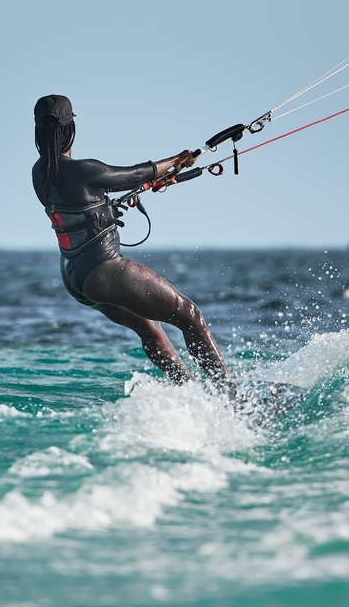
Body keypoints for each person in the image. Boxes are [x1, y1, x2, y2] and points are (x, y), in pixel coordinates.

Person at [32, 94, 232, 391]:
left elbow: (84, 201)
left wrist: (112, 202)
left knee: (152, 332)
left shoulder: (39, 173)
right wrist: (177, 161)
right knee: (190, 316)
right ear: (70, 128)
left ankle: (193, 397)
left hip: (75, 278)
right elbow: (136, 174)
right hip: (104, 270)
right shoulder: (83, 169)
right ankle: (230, 397)